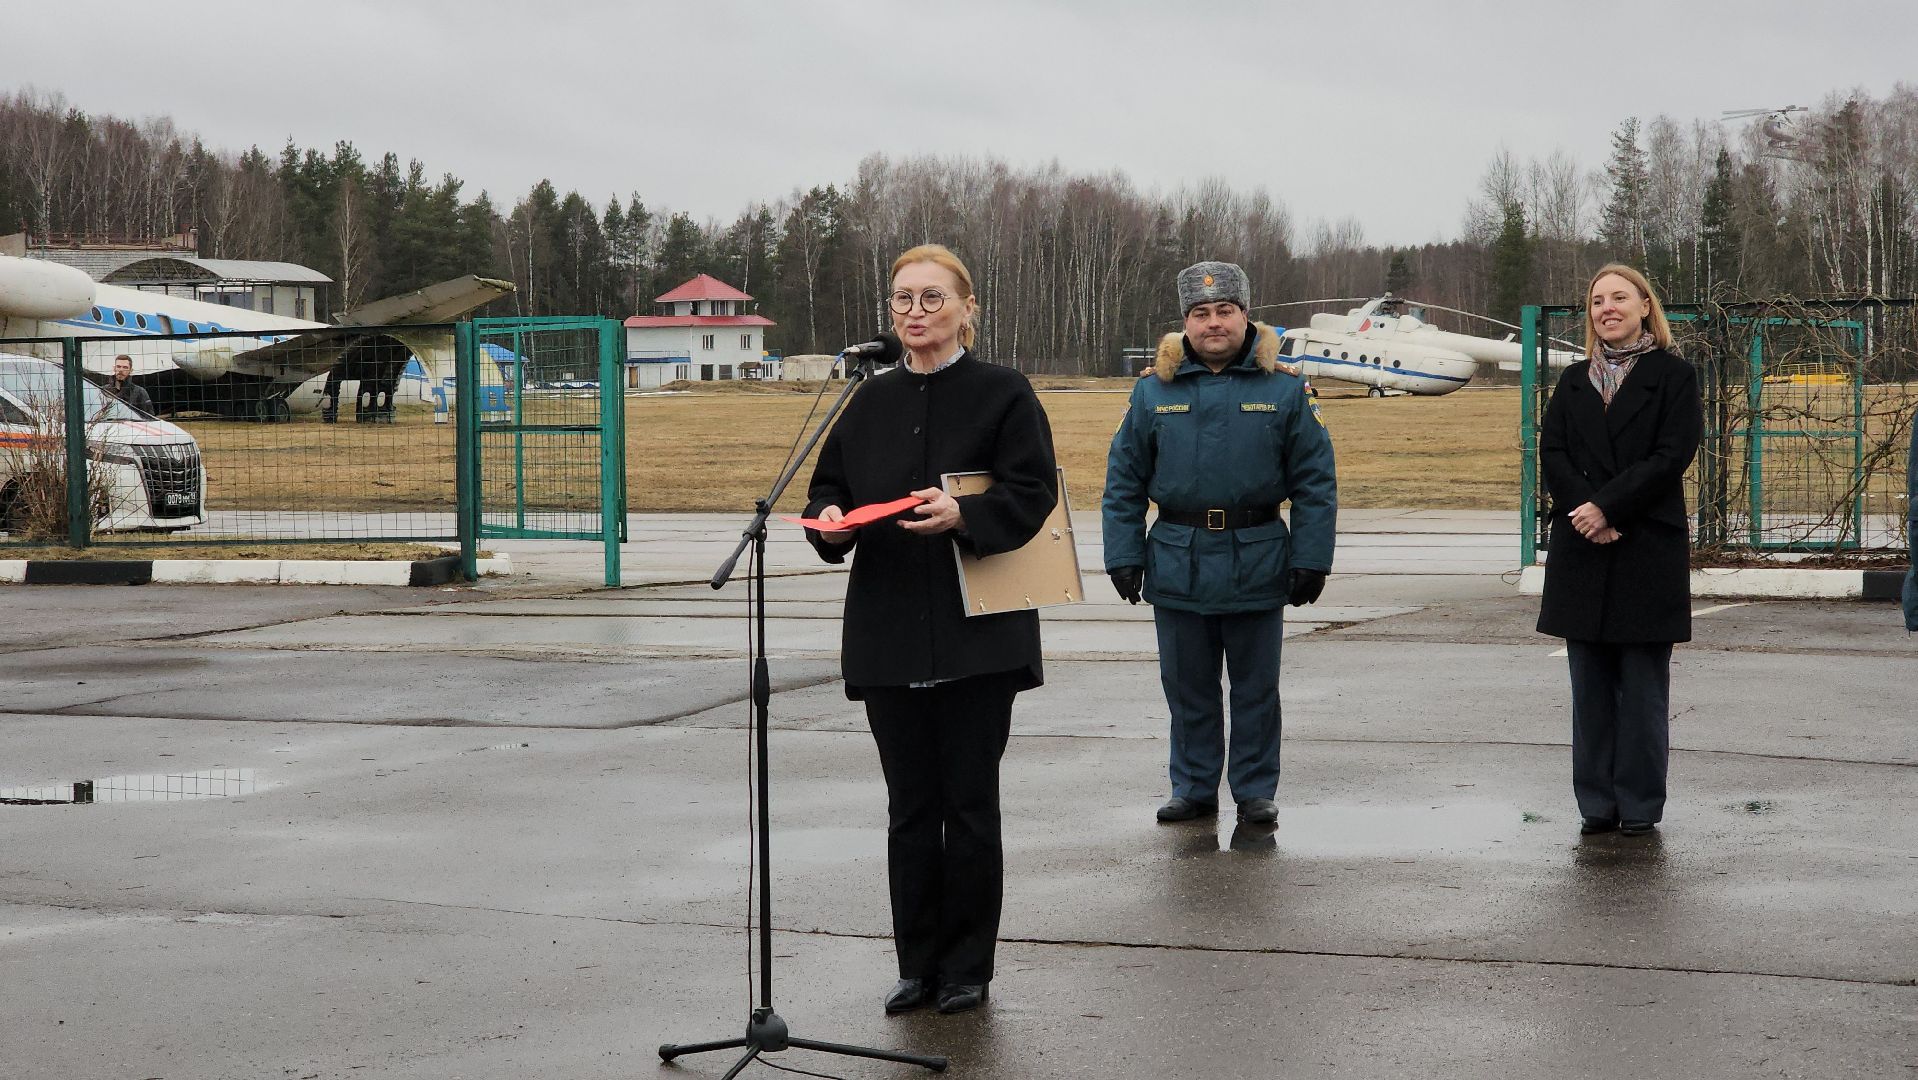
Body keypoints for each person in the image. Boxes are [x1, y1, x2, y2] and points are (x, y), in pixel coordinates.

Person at [801, 244, 1057, 1016]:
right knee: (909, 809)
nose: (915, 313)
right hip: (888, 634)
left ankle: (969, 967)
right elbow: (827, 492)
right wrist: (833, 526)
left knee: (969, 807)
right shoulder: (867, 401)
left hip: (977, 636)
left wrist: (965, 516)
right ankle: (918, 965)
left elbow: (1033, 491)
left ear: (966, 308)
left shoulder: (1004, 393)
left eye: (932, 299)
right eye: (903, 300)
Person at [1102, 261, 1337, 827]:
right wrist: (1124, 554)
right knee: (1188, 689)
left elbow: (1315, 481)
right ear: (1185, 323)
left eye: (1224, 311)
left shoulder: (1284, 390)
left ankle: (1255, 790)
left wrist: (1311, 559)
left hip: (1257, 554)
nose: (1213, 323)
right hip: (1177, 558)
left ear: (1245, 316)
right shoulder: (1152, 392)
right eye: (1201, 313)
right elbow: (1124, 481)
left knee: (1257, 689)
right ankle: (1193, 786)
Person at [1536, 263, 1703, 838]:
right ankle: (1596, 804)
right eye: (1597, 300)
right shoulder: (1574, 382)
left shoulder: (1675, 377)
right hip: (1583, 549)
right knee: (1589, 689)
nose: (1607, 308)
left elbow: (1670, 454)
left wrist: (1609, 507)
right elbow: (1553, 450)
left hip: (1643, 547)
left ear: (1643, 307)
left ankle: (1638, 804)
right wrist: (1586, 512)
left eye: (1619, 298)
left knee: (1641, 689)